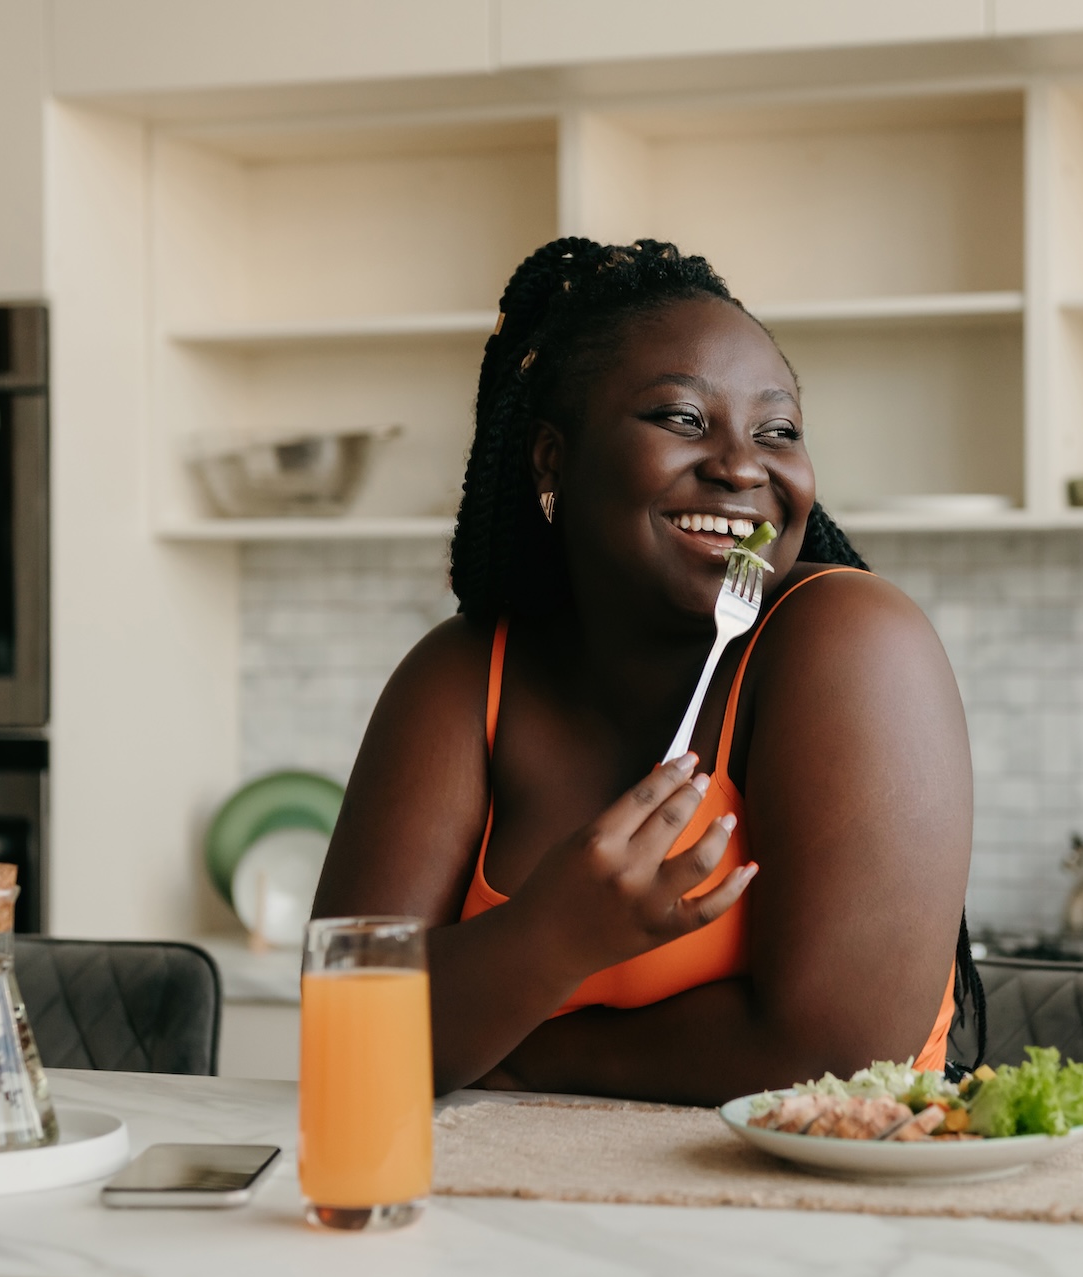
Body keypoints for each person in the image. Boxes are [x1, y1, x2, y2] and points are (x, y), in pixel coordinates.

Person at [313, 237, 981, 1105]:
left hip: (824, 1222)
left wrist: (520, 1047)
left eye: (778, 431)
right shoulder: (460, 676)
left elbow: (839, 1057)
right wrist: (554, 933)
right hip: (507, 1221)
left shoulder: (853, 641)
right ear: (553, 458)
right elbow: (346, 1025)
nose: (744, 464)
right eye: (682, 418)